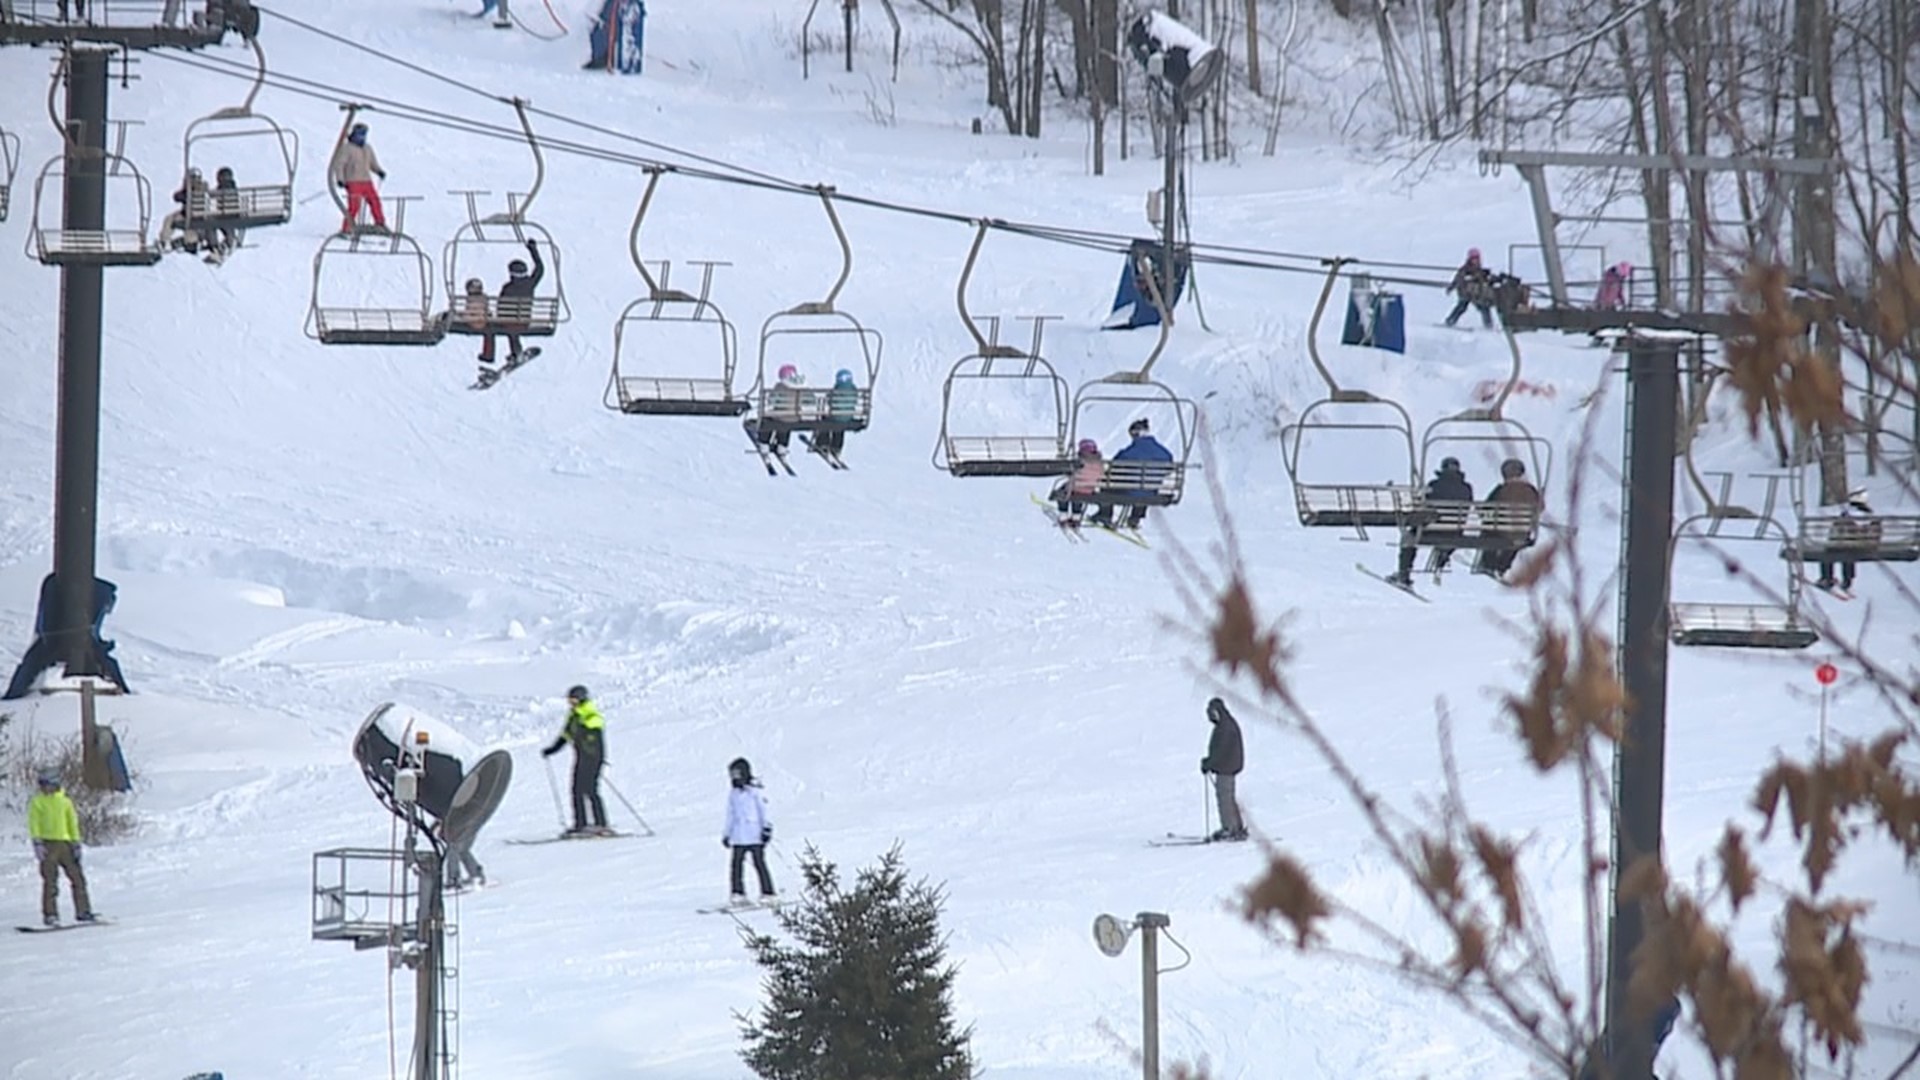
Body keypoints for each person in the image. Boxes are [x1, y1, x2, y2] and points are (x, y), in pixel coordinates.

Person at [1390, 456, 1474, 587]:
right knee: (1448, 536)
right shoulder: (1466, 488)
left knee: (1409, 538)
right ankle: (1441, 561)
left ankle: (1404, 574)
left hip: (1431, 530)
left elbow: (1423, 505)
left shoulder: (1434, 485)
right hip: (1454, 532)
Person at [540, 684, 610, 837]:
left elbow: (594, 730)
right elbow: (565, 736)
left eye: (573, 700)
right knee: (576, 790)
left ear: (581, 699)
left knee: (590, 790)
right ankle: (581, 824)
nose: (570, 703)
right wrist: (552, 750)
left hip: (592, 759)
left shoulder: (590, 714)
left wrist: (584, 734)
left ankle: (601, 824)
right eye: (570, 701)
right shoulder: (574, 716)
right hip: (581, 759)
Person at [30, 768, 95, 927]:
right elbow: (34, 823)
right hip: (48, 844)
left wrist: (76, 842)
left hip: (65, 845)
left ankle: (83, 910)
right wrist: (37, 842)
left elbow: (72, 823)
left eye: (46, 784)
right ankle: (50, 914)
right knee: (50, 881)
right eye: (42, 785)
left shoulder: (65, 802)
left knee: (77, 878)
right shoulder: (37, 802)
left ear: (54, 784)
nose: (44, 788)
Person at [477, 240, 545, 375]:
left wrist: (495, 315)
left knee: (490, 327)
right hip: (524, 322)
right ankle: (516, 352)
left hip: (508, 322)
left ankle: (488, 355)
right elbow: (540, 269)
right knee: (512, 329)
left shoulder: (508, 288)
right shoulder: (530, 283)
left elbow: (501, 305)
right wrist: (533, 250)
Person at [1095, 417, 1175, 529]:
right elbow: (1168, 469)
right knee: (1146, 485)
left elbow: (1116, 465)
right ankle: (1135, 517)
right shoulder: (1164, 452)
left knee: (1106, 483)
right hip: (1150, 492)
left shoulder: (1131, 451)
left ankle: (1105, 514)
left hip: (1130, 492)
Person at [1474, 458, 1543, 579]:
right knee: (1515, 538)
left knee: (1490, 531)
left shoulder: (1501, 490)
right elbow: (1540, 508)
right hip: (1522, 532)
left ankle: (1488, 564)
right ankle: (1503, 566)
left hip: (1500, 532)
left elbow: (1486, 509)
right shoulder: (1531, 490)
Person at [723, 757, 777, 904]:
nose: (734, 777)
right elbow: (731, 815)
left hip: (754, 834)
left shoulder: (755, 792)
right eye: (732, 774)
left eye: (737, 774)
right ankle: (738, 893)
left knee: (759, 863)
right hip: (738, 835)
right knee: (736, 866)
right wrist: (727, 834)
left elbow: (764, 811)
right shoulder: (733, 794)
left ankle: (768, 893)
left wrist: (766, 829)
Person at [328, 122, 388, 234]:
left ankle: (380, 223)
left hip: (366, 180)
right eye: (359, 135)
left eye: (363, 135)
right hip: (353, 181)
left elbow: (372, 163)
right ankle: (347, 227)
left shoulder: (367, 148)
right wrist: (340, 179)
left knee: (375, 201)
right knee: (354, 205)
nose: (361, 137)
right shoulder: (347, 148)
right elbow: (339, 164)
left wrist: (379, 171)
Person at [1200, 698, 1246, 842]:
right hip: (1228, 766)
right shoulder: (1226, 724)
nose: (1211, 718)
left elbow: (1221, 751)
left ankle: (1229, 828)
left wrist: (1209, 763)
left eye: (1211, 714)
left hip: (1226, 767)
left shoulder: (1225, 727)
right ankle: (1236, 826)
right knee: (1228, 796)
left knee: (1224, 797)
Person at [1817, 489, 1879, 593]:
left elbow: (1835, 531)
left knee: (1830, 551)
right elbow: (1877, 533)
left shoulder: (1846, 514)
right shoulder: (1871, 516)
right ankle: (1847, 580)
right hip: (1867, 547)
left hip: (1845, 545)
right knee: (1849, 551)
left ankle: (1827, 578)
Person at [746, 365, 806, 452]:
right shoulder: (801, 387)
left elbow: (771, 400)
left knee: (768, 420)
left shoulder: (780, 386)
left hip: (780, 417)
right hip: (795, 417)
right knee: (786, 424)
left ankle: (764, 442)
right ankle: (782, 445)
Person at [1050, 439, 1105, 526]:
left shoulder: (1080, 462)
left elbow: (1071, 472)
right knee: (1079, 494)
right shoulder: (1099, 463)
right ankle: (1076, 516)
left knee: (1063, 491)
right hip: (1089, 489)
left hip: (1074, 487)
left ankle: (1063, 515)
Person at [1444, 248, 1495, 329]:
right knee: (1461, 307)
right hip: (1465, 292)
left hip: (1475, 293)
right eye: (1474, 259)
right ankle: (1450, 321)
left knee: (1484, 307)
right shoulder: (1465, 269)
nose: (1476, 261)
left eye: (1477, 259)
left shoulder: (1480, 270)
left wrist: (1488, 278)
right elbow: (1458, 279)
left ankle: (1488, 325)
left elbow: (1483, 281)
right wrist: (1451, 287)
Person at [815, 368, 861, 455]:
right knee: (840, 425)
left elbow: (830, 401)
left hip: (835, 417)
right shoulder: (853, 390)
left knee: (825, 421)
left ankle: (823, 443)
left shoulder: (836, 390)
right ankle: (836, 447)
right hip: (848, 417)